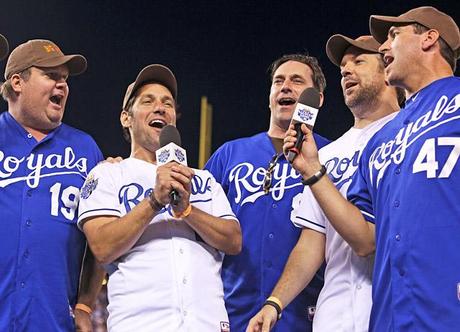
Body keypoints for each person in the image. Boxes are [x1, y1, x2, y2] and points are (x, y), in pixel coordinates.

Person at [283, 6, 460, 331]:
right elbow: (365, 238)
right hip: (392, 316)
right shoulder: (381, 142)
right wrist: (312, 170)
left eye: (393, 36)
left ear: (429, 39)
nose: (382, 47)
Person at [247, 35, 402, 332]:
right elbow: (313, 240)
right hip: (334, 314)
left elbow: (368, 242)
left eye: (359, 61)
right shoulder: (326, 153)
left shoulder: (411, 134)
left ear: (388, 69)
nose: (345, 71)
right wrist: (275, 302)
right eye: (343, 66)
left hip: (393, 307)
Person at [77, 64, 242, 331]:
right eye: (148, 101)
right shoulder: (109, 174)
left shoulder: (203, 179)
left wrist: (188, 211)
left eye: (168, 103)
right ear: (126, 118)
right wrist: (154, 201)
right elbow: (102, 247)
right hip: (140, 324)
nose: (160, 108)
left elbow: (233, 240)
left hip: (206, 323)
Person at [205, 54, 330, 331]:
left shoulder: (332, 155)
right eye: (278, 81)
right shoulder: (230, 154)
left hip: (305, 315)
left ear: (317, 99)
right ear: (270, 96)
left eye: (297, 81)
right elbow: (195, 222)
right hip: (232, 311)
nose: (285, 87)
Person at [0, 39, 105, 331]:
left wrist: (85, 304)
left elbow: (101, 240)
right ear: (17, 82)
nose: (62, 85)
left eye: (65, 79)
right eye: (51, 75)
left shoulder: (85, 150)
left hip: (53, 321)